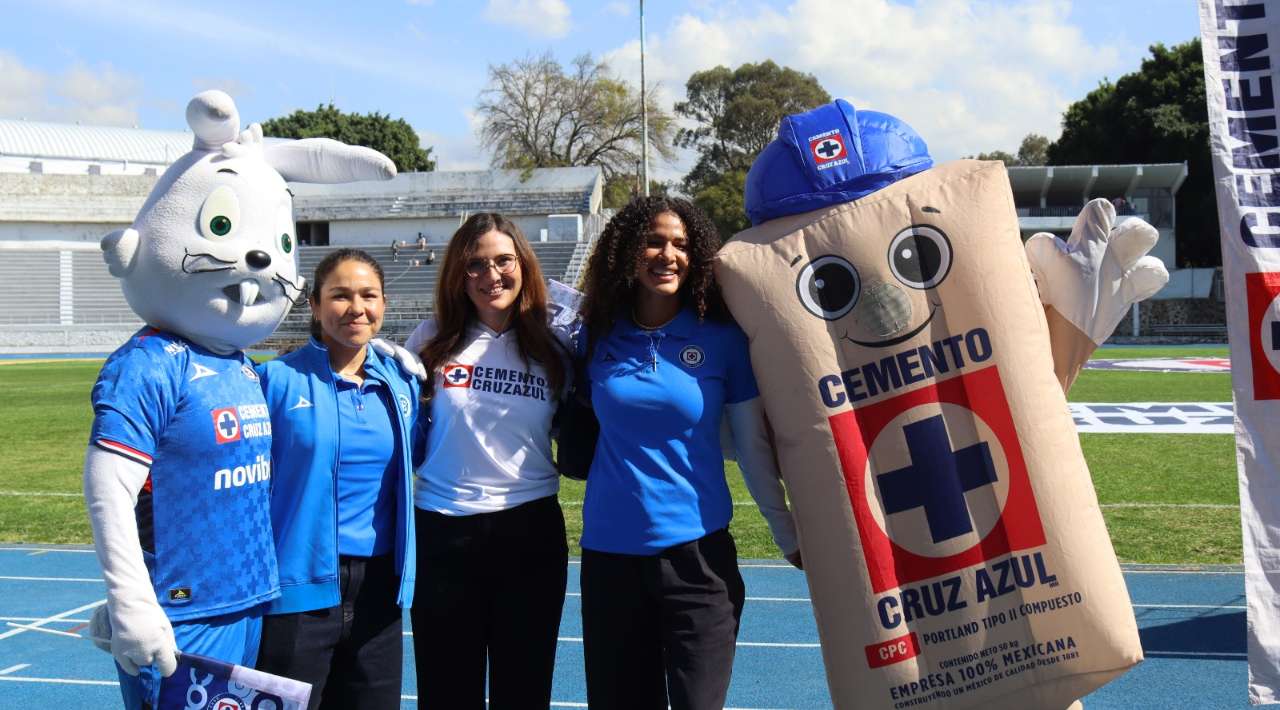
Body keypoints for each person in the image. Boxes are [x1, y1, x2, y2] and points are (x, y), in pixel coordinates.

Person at [575, 196, 799, 710]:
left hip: (699, 563)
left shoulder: (723, 341)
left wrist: (786, 532)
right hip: (610, 561)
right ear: (629, 250)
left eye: (681, 244)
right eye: (654, 241)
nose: (667, 254)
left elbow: (752, 446)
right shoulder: (596, 335)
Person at [406, 212, 570, 709]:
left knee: (524, 690)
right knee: (446, 691)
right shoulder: (431, 339)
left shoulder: (555, 343)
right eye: (475, 264)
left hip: (529, 531)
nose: (490, 275)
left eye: (503, 261)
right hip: (442, 531)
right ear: (458, 273)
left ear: (523, 264)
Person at [254, 248, 420, 710]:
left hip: (379, 594)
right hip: (298, 589)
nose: (356, 308)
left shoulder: (402, 384)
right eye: (340, 296)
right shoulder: (275, 381)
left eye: (368, 295)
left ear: (384, 304)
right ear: (314, 304)